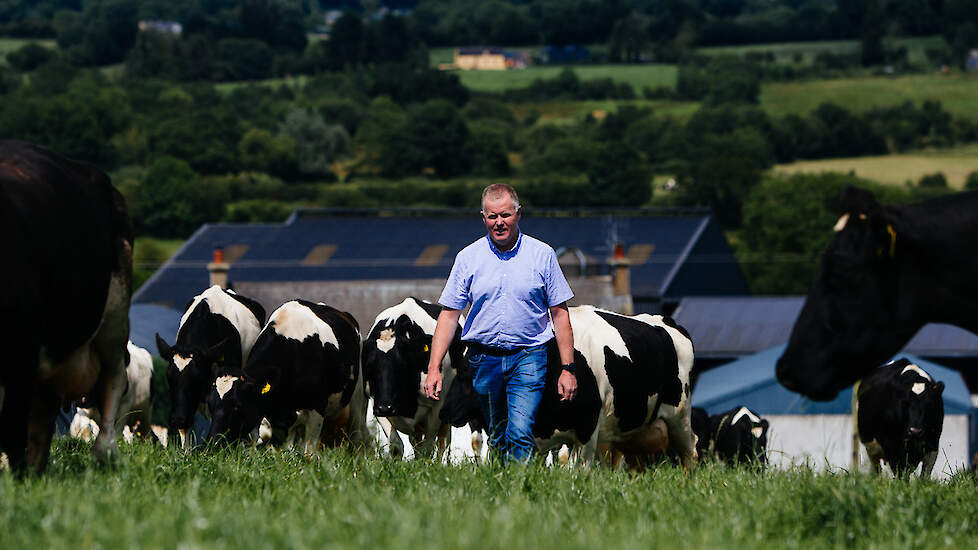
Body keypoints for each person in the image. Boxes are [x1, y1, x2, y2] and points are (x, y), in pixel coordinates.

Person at [424, 183, 577, 464]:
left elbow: (560, 313)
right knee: (496, 434)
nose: (499, 223)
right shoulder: (467, 259)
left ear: (519, 213)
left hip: (528, 356)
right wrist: (434, 367)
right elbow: (449, 315)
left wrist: (567, 368)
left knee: (519, 432)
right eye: (492, 216)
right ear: (483, 218)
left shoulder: (542, 255)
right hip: (484, 359)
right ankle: (501, 491)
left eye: (505, 215)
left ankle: (520, 495)